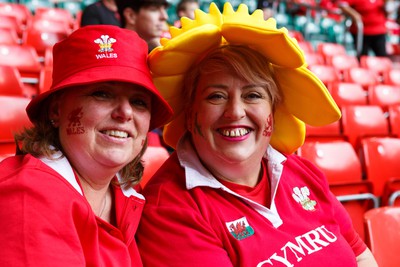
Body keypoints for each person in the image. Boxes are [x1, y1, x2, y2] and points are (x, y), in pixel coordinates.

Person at [136, 3, 378, 266]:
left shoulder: (302, 171)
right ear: (191, 111)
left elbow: (361, 256)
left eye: (253, 95)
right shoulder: (170, 209)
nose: (235, 112)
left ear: (272, 111)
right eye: (216, 96)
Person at [0, 25, 172, 266]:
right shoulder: (28, 196)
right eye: (102, 94)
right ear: (56, 110)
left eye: (139, 101)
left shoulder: (128, 196)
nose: (125, 112)